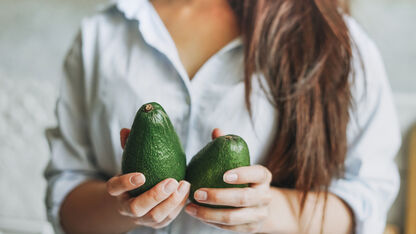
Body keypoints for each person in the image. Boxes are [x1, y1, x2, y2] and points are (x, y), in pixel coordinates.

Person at [44, 0, 401, 233]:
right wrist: (124, 206)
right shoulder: (103, 34)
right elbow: (66, 201)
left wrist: (266, 209)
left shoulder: (333, 40)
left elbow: (365, 200)